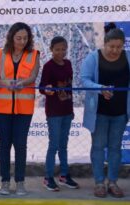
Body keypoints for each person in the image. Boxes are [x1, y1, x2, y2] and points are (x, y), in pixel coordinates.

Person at [81, 23, 129, 198]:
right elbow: (84, 80)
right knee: (99, 147)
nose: (115, 50)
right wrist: (100, 88)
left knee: (116, 148)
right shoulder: (93, 58)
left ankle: (113, 182)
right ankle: (100, 183)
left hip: (120, 114)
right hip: (99, 114)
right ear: (104, 43)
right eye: (111, 46)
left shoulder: (128, 58)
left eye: (119, 47)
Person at [0, 22, 40, 195]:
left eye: (25, 38)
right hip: (1, 107)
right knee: (4, 144)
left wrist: (23, 83)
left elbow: (33, 76)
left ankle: (20, 182)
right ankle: (5, 182)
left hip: (24, 108)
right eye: (18, 38)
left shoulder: (34, 54)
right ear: (11, 37)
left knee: (20, 145)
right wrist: (8, 83)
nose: (22, 41)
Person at [39, 36, 79, 191]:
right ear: (51, 50)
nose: (60, 52)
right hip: (54, 112)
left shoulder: (68, 64)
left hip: (67, 111)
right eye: (57, 49)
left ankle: (64, 175)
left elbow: (69, 87)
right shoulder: (48, 66)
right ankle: (48, 177)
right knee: (54, 144)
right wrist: (47, 89)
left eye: (63, 49)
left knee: (63, 145)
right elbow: (42, 87)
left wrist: (71, 109)